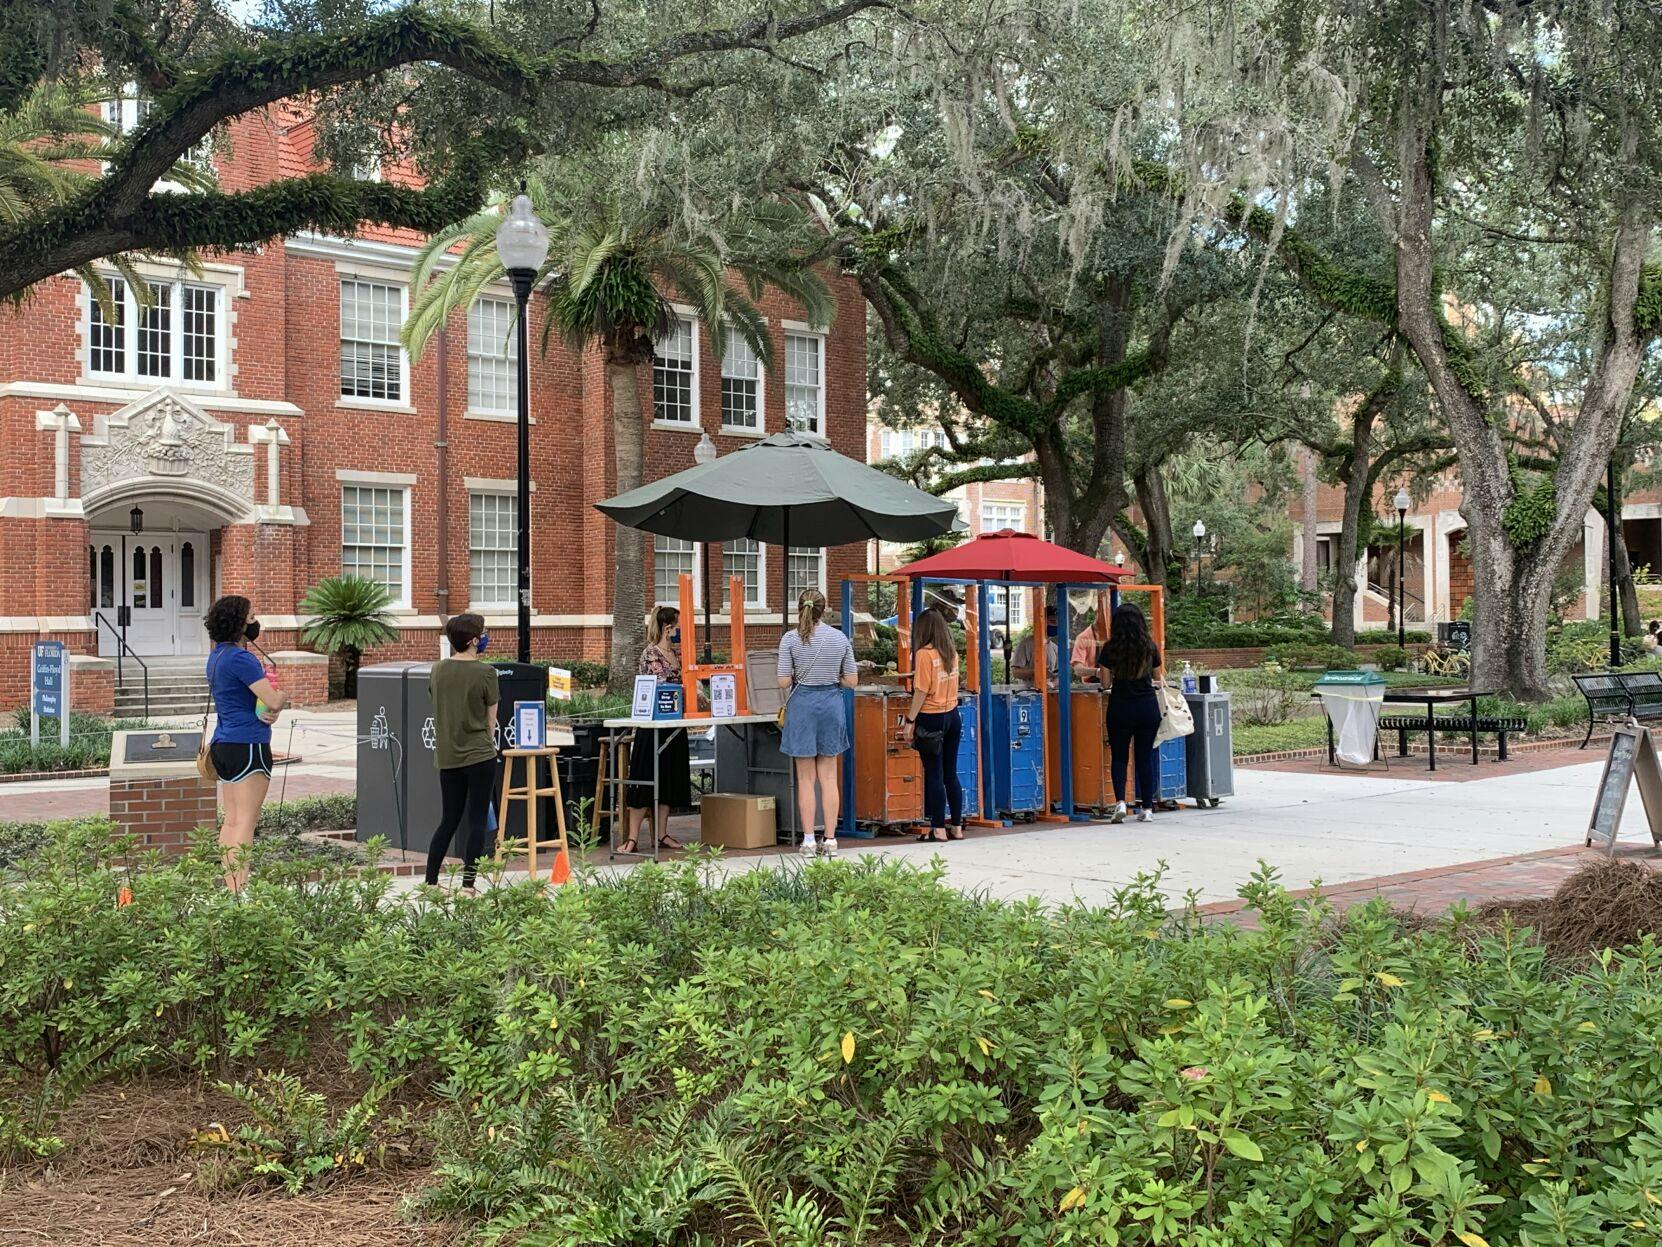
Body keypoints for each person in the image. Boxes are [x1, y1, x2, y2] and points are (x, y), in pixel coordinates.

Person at [203, 594, 289, 890]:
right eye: (251, 617)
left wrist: (267, 710)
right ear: (239, 623)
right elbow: (272, 699)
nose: (255, 623)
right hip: (249, 745)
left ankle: (231, 889)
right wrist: (281, 698)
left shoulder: (216, 657)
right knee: (245, 822)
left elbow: (246, 701)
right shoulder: (242, 659)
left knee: (231, 820)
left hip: (224, 744)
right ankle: (240, 892)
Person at [778, 587, 858, 855]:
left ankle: (809, 840)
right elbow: (852, 681)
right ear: (824, 611)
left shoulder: (790, 639)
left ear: (799, 609)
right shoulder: (839, 638)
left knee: (805, 779)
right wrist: (832, 678)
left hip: (802, 706)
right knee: (829, 777)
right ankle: (831, 839)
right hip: (831, 705)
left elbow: (783, 681)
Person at [425, 613, 501, 893]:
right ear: (473, 641)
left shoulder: (437, 670)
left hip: (448, 755)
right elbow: (491, 720)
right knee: (477, 820)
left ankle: (431, 882)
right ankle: (468, 884)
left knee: (449, 820)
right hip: (480, 755)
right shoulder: (486, 672)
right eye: (482, 633)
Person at [620, 606, 689, 854]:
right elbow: (660, 685)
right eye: (678, 625)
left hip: (674, 725)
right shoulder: (651, 654)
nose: (680, 630)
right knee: (644, 778)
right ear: (668, 628)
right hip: (652, 726)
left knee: (669, 779)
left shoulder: (677, 652)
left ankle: (661, 834)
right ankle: (632, 837)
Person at [1097, 602, 1164, 824]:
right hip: (1147, 707)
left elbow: (1105, 683)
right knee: (1144, 757)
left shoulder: (1110, 648)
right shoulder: (1149, 647)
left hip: (1120, 707)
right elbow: (1157, 678)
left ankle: (1120, 803)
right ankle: (1147, 808)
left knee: (1119, 757)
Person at [903, 606, 964, 842]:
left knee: (934, 773)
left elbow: (921, 690)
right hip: (952, 715)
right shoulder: (951, 654)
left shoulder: (924, 655)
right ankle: (956, 826)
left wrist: (910, 720)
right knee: (951, 773)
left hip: (931, 716)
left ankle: (938, 829)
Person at [1011, 601, 1060, 685]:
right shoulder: (1026, 644)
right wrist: (1038, 671)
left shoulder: (1055, 648)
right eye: (1052, 621)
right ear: (1042, 622)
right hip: (1029, 691)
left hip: (1049, 691)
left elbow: (1057, 674)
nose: (1055, 625)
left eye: (1057, 622)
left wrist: (1054, 683)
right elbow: (1016, 672)